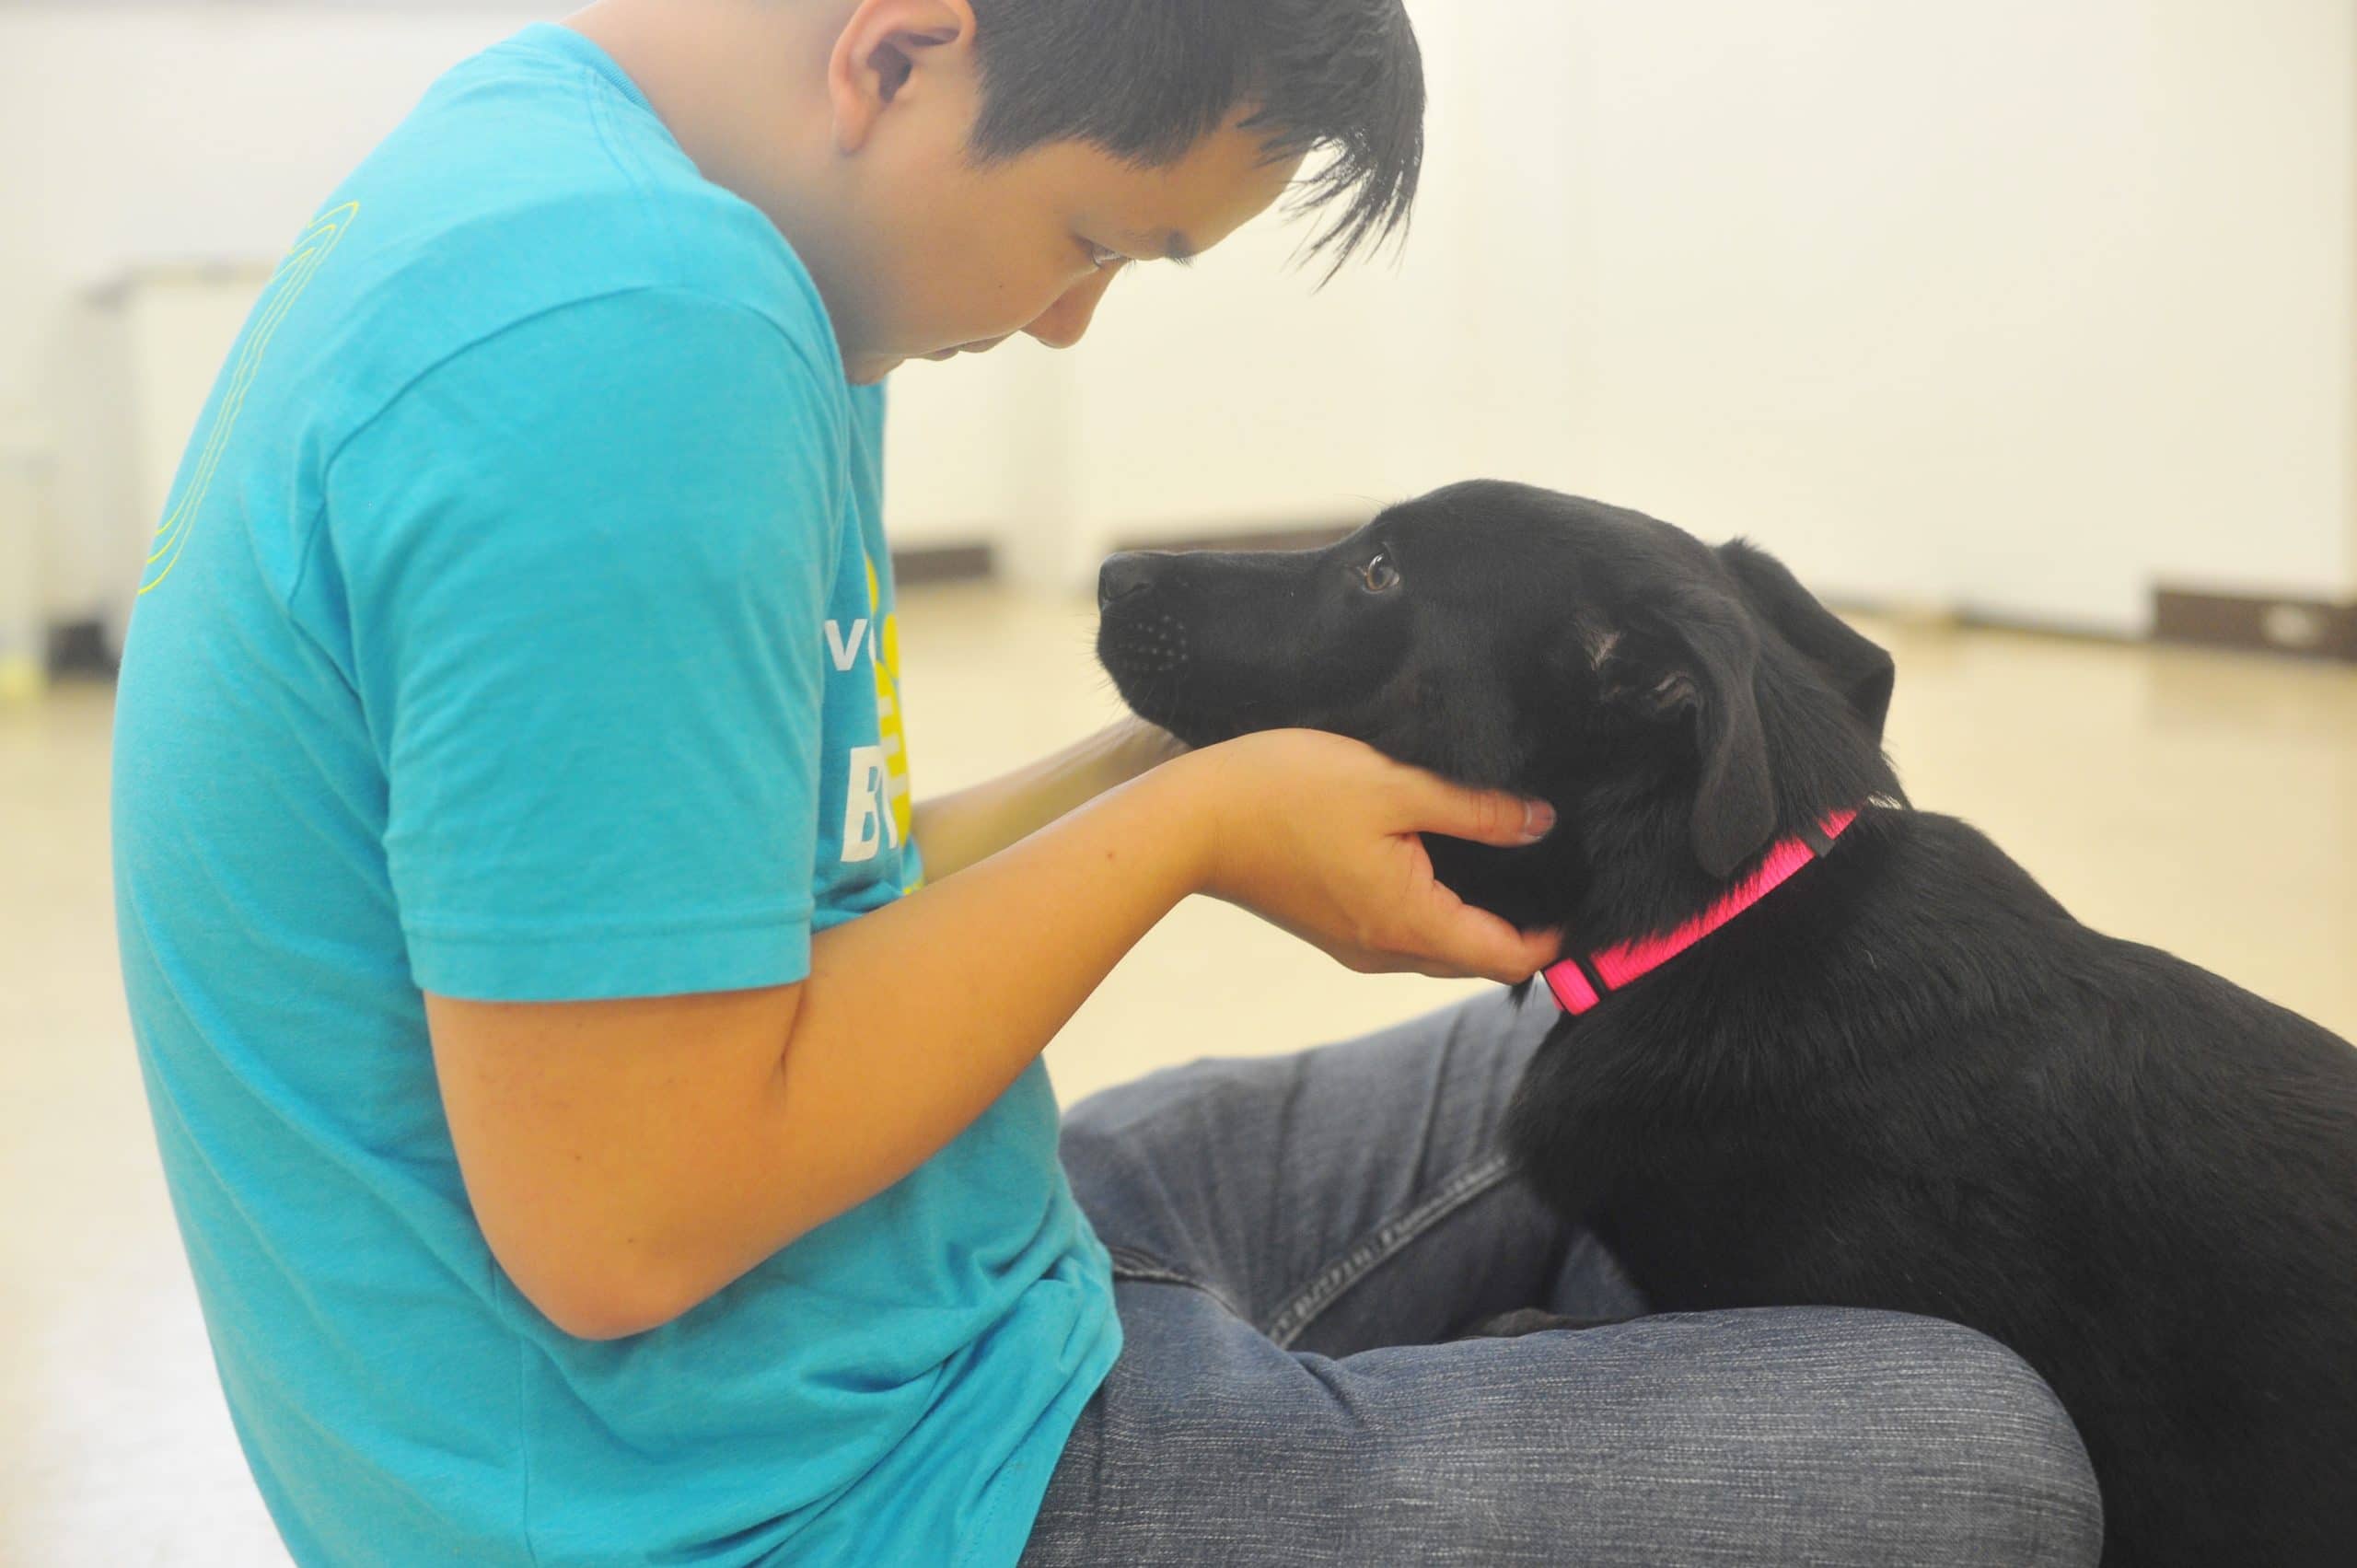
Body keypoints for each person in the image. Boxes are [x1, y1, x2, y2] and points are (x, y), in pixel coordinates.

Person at [109, 1, 2103, 1562]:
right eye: (1087, 239)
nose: (1066, 320)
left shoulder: (582, 189)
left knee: (1591, 1048)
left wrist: (1181, 749)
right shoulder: (645, 332)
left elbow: (792, 896)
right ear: (897, 47)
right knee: (1990, 1455)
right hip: (800, 1505)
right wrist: (1196, 830)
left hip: (906, 1289)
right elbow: (620, 1215)